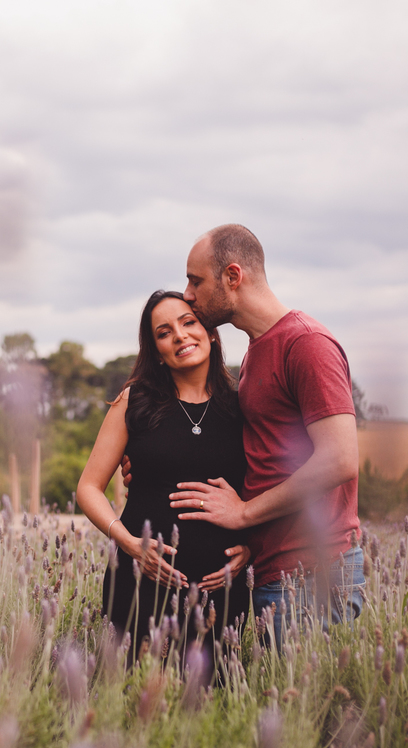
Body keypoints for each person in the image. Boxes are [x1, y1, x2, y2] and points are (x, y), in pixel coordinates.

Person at [165, 223, 364, 645]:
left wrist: (243, 515)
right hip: (273, 571)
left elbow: (340, 458)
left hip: (313, 575)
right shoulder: (257, 350)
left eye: (196, 280)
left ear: (233, 277)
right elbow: (262, 456)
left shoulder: (307, 344)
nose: (187, 294)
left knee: (311, 709)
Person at [77, 290, 249, 668]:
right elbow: (88, 487)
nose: (181, 336)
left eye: (189, 323)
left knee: (208, 705)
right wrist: (127, 543)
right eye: (164, 332)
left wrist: (253, 546)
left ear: (212, 333)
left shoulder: (243, 405)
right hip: (139, 582)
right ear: (156, 350)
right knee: (128, 700)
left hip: (219, 591)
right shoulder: (133, 402)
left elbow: (263, 487)